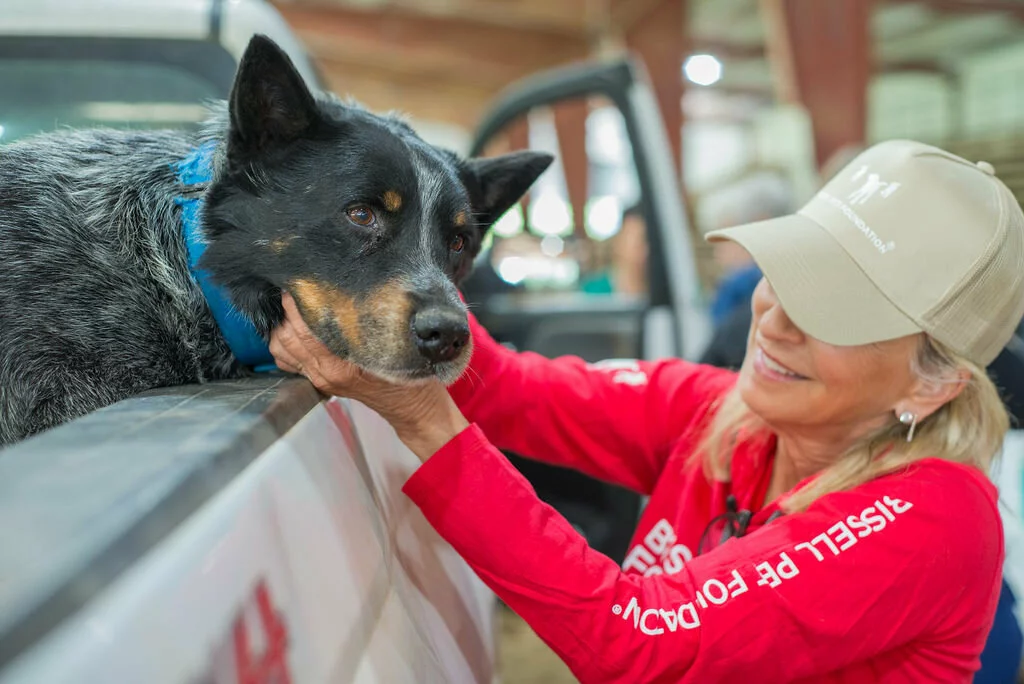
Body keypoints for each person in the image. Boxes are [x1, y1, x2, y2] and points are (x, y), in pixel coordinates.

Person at [269, 140, 1023, 682]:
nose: (777, 319)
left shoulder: (934, 519)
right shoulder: (727, 412)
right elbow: (507, 389)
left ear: (932, 384)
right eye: (789, 272)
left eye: (838, 310)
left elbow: (639, 642)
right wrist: (393, 253)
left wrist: (429, 425)